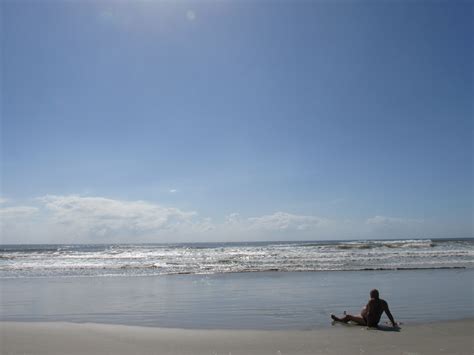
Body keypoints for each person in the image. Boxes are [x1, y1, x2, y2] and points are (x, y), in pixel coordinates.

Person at [331, 289, 397, 328]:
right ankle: (347, 317)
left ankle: (339, 320)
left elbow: (369, 314)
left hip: (368, 321)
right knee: (355, 315)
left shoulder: (371, 301)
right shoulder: (384, 302)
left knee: (349, 317)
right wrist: (393, 323)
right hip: (373, 321)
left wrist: (368, 326)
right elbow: (389, 314)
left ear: (372, 295)